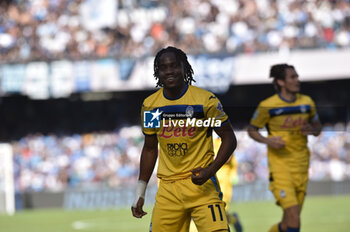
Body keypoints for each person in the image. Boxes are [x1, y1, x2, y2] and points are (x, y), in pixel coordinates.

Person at [131, 46, 237, 232]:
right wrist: (140, 192)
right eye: (164, 67)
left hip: (202, 186)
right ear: (158, 72)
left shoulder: (204, 101)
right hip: (168, 191)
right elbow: (149, 149)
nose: (169, 71)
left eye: (174, 66)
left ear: (184, 68)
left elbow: (229, 138)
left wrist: (210, 171)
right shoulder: (151, 106)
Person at [247, 64, 321, 232]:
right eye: (293, 77)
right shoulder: (268, 105)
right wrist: (268, 141)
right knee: (294, 216)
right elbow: (251, 130)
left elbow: (318, 127)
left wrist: (313, 129)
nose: (297, 80)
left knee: (288, 223)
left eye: (297, 76)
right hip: (280, 168)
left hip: (302, 167)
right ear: (280, 82)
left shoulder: (307, 102)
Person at [189, 135, 243, 232]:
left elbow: (227, 158)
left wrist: (206, 160)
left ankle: (233, 219)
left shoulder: (222, 140)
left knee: (220, 212)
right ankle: (233, 219)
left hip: (223, 182)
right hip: (205, 181)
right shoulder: (202, 140)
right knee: (204, 212)